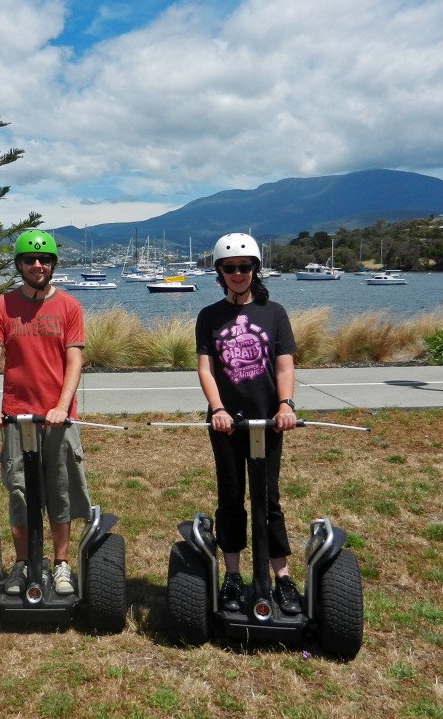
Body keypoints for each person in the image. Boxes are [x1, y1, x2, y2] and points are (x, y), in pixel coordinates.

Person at [194, 232, 302, 615]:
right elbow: (206, 369)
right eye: (230, 268)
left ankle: (283, 577)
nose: (238, 273)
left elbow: (284, 363)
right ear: (219, 272)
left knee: (268, 498)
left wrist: (286, 404)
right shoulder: (209, 316)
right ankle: (233, 576)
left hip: (269, 420)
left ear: (255, 269)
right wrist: (218, 408)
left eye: (245, 267)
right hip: (226, 424)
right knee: (231, 497)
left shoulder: (274, 313)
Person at [0, 229, 90, 596]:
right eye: (30, 259)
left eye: (44, 260)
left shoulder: (69, 307)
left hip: (57, 419)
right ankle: (25, 563)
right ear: (20, 265)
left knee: (60, 493)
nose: (38, 265)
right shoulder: (2, 307)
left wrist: (62, 406)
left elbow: (74, 361)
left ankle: (60, 565)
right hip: (16, 417)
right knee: (20, 493)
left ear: (54, 264)